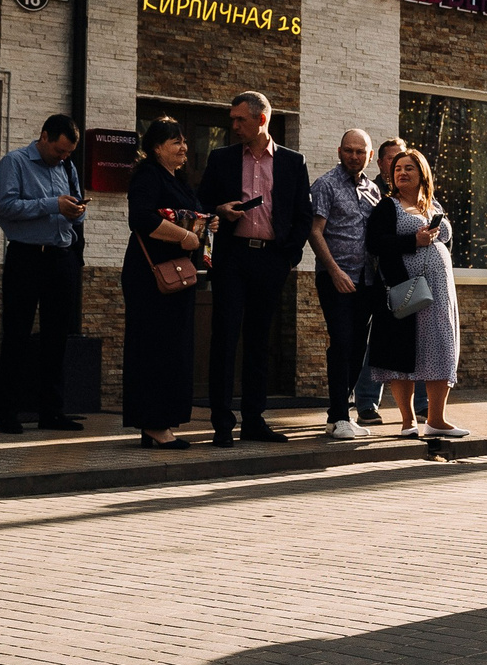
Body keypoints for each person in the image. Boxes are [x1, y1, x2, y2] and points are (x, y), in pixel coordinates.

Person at [198, 91, 312, 445]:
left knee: (260, 342)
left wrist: (287, 257)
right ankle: (220, 422)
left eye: (239, 120)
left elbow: (303, 216)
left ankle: (254, 419)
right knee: (225, 338)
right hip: (232, 258)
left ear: (261, 119)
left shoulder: (293, 162)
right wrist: (220, 210)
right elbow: (200, 204)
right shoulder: (222, 159)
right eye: (231, 120)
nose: (233, 126)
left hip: (270, 260)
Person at [0, 114, 88, 434]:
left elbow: (72, 207)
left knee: (57, 339)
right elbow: (7, 206)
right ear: (44, 136)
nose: (63, 158)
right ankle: (8, 412)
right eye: (59, 151)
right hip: (26, 257)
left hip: (61, 258)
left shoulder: (68, 167)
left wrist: (76, 213)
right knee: (17, 335)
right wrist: (53, 205)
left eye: (68, 153)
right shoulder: (15, 162)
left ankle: (52, 412)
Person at [122, 117, 209, 448]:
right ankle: (154, 425)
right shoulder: (147, 175)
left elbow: (194, 215)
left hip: (179, 275)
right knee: (153, 349)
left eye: (184, 141)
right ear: (156, 147)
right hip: (151, 276)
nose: (184, 147)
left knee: (174, 349)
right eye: (176, 142)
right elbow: (141, 218)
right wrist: (186, 236)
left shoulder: (180, 180)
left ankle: (163, 423)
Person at [365, 149, 463, 439]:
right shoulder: (387, 207)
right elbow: (374, 243)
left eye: (409, 168)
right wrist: (413, 240)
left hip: (440, 292)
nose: (402, 173)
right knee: (403, 352)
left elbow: (446, 242)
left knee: (440, 347)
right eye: (397, 169)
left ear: (422, 173)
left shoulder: (433, 205)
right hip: (406, 290)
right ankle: (408, 421)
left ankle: (436, 420)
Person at [309, 128, 381, 440]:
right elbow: (314, 231)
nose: (354, 156)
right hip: (336, 278)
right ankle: (339, 415)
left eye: (360, 152)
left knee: (358, 348)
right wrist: (334, 271)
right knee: (341, 344)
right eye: (349, 150)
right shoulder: (325, 184)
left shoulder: (373, 191)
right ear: (340, 152)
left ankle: (339, 413)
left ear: (370, 156)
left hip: (366, 282)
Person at [354, 136, 406, 426]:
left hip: (407, 280)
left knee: (413, 341)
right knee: (372, 343)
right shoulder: (373, 192)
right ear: (380, 161)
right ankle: (366, 403)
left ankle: (420, 407)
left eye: (403, 159)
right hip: (372, 279)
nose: (399, 165)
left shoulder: (419, 191)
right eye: (392, 159)